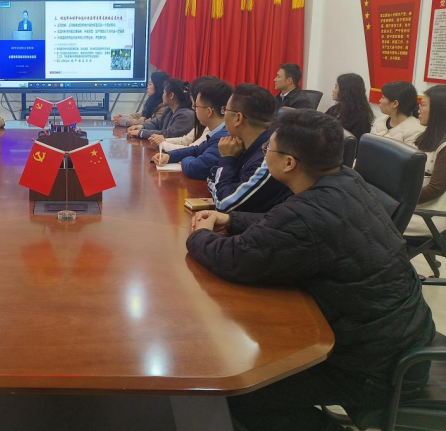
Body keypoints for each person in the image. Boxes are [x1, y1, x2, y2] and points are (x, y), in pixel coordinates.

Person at [187, 110, 434, 431]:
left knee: (245, 392)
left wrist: (199, 236)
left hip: (375, 368)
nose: (264, 154)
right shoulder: (346, 181)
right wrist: (232, 219)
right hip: (399, 338)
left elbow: (234, 259)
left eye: (268, 149)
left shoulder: (308, 213)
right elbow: (282, 225)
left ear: (289, 163)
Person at [209, 83, 291, 213]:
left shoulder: (269, 157)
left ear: (238, 118)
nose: (224, 115)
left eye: (225, 110)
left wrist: (227, 159)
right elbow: (212, 178)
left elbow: (223, 203)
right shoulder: (243, 145)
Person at [152, 80, 232, 180]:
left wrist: (184, 161)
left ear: (208, 112)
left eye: (195, 106)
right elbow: (196, 150)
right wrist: (169, 156)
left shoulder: (223, 137)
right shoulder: (217, 132)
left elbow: (197, 168)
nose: (194, 110)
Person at [404, 86, 446, 237]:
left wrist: (400, 198)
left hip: (431, 215)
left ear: (438, 110)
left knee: (372, 219)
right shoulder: (426, 137)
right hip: (415, 206)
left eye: (423, 105)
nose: (419, 110)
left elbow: (435, 189)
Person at [159, 75, 218, 151]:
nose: (194, 111)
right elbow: (186, 140)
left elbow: (193, 150)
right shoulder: (205, 124)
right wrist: (163, 140)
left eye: (195, 107)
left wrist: (162, 144)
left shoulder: (214, 128)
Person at [127, 78, 194, 140]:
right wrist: (142, 126)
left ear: (171, 95)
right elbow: (157, 122)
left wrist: (141, 133)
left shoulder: (186, 115)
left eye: (164, 92)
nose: (162, 95)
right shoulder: (169, 110)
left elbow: (168, 134)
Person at [370, 81, 424, 147]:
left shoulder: (415, 131)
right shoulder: (379, 122)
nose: (380, 100)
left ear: (395, 104)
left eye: (383, 97)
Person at [324, 73, 374, 139]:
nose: (333, 90)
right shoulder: (334, 109)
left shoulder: (360, 119)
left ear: (345, 91)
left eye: (336, 87)